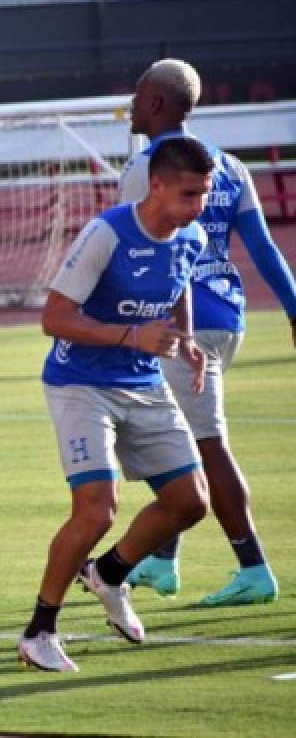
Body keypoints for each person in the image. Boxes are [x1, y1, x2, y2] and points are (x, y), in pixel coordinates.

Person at [17, 136, 214, 673]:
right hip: (80, 382)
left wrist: (187, 338)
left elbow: (178, 286)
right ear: (156, 186)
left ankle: (107, 573)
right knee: (97, 510)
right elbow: (53, 318)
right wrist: (131, 335)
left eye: (204, 195)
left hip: (145, 383)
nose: (197, 208)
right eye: (188, 194)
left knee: (191, 502)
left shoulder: (189, 236)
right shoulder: (107, 233)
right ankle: (38, 632)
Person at [118, 59, 296, 606]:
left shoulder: (149, 167)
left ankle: (253, 567)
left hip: (180, 327)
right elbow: (264, 250)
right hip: (229, 317)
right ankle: (164, 561)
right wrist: (294, 313)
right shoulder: (229, 165)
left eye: (139, 94)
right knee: (176, 443)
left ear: (155, 103)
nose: (131, 103)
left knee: (202, 447)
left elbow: (131, 250)